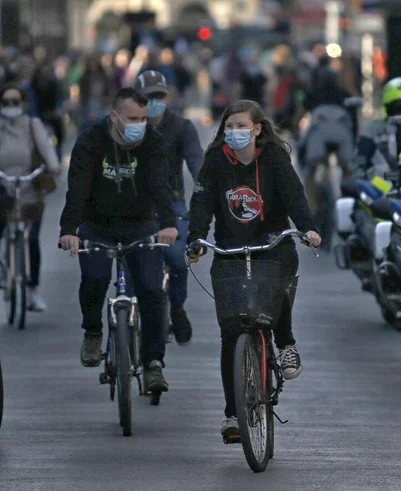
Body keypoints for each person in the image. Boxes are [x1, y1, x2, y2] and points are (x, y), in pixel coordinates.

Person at [185, 99, 321, 440]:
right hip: (229, 249)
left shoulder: (274, 158)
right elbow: (201, 203)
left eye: (242, 127)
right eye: (229, 127)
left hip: (272, 245)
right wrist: (196, 239)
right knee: (231, 334)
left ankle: (285, 341)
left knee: (278, 286)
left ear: (257, 129)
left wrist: (308, 228)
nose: (234, 133)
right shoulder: (216, 161)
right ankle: (232, 416)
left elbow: (294, 196)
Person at [58, 87, 178, 393]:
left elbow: (160, 185)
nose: (139, 123)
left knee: (151, 289)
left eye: (143, 117)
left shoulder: (152, 141)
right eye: (132, 118)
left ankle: (153, 363)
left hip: (141, 224)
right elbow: (78, 188)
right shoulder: (90, 141)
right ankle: (93, 332)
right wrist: (69, 230)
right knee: (95, 278)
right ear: (114, 116)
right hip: (97, 224)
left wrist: (168, 224)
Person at [135, 70, 203, 345]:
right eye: (148, 97)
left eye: (158, 96)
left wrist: (204, 195)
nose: (154, 101)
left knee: (177, 257)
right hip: (133, 205)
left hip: (172, 205)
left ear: (167, 97)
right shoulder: (126, 124)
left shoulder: (182, 127)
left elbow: (197, 164)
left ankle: (177, 307)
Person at [0, 83, 62, 311]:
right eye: (5, 102)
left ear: (24, 104)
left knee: (32, 239)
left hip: (29, 185)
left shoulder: (32, 124)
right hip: (3, 186)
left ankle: (32, 290)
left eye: (15, 102)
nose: (11, 107)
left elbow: (46, 147)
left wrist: (54, 165)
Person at [355, 77, 401, 175]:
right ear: (387, 108)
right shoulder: (372, 130)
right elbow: (359, 165)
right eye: (397, 109)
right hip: (381, 184)